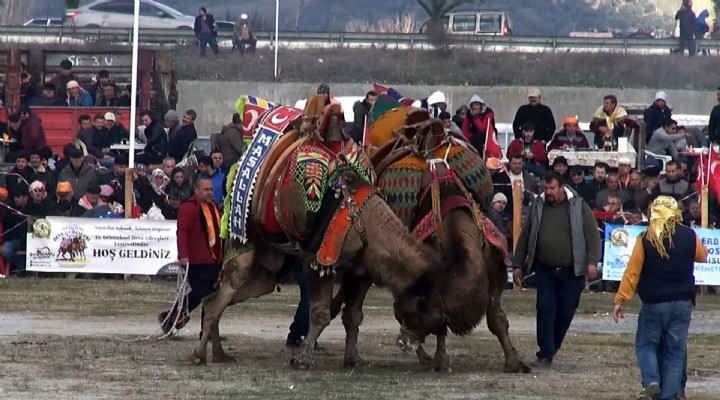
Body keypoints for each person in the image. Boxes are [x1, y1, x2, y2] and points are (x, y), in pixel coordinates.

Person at [613, 195, 707, 400]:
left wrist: (621, 299)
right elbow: (703, 256)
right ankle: (669, 395)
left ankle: (651, 381)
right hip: (683, 302)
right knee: (675, 352)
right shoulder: (688, 235)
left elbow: (632, 272)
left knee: (646, 344)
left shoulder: (646, 238)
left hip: (655, 302)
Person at [512, 171, 601, 367]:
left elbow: (592, 236)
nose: (549, 192)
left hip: (571, 271)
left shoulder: (578, 206)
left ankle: (552, 346)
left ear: (562, 188)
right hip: (545, 270)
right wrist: (518, 264)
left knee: (566, 311)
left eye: (552, 188)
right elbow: (525, 236)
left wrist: (592, 262)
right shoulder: (538, 206)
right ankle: (545, 352)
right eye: (546, 188)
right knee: (544, 309)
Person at [158, 177, 223, 337]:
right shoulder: (189, 207)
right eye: (205, 190)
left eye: (211, 190)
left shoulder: (213, 206)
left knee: (211, 295)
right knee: (201, 293)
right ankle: (172, 316)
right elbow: (182, 232)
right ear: (196, 190)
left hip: (213, 259)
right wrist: (183, 255)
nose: (209, 192)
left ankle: (206, 331)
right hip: (196, 259)